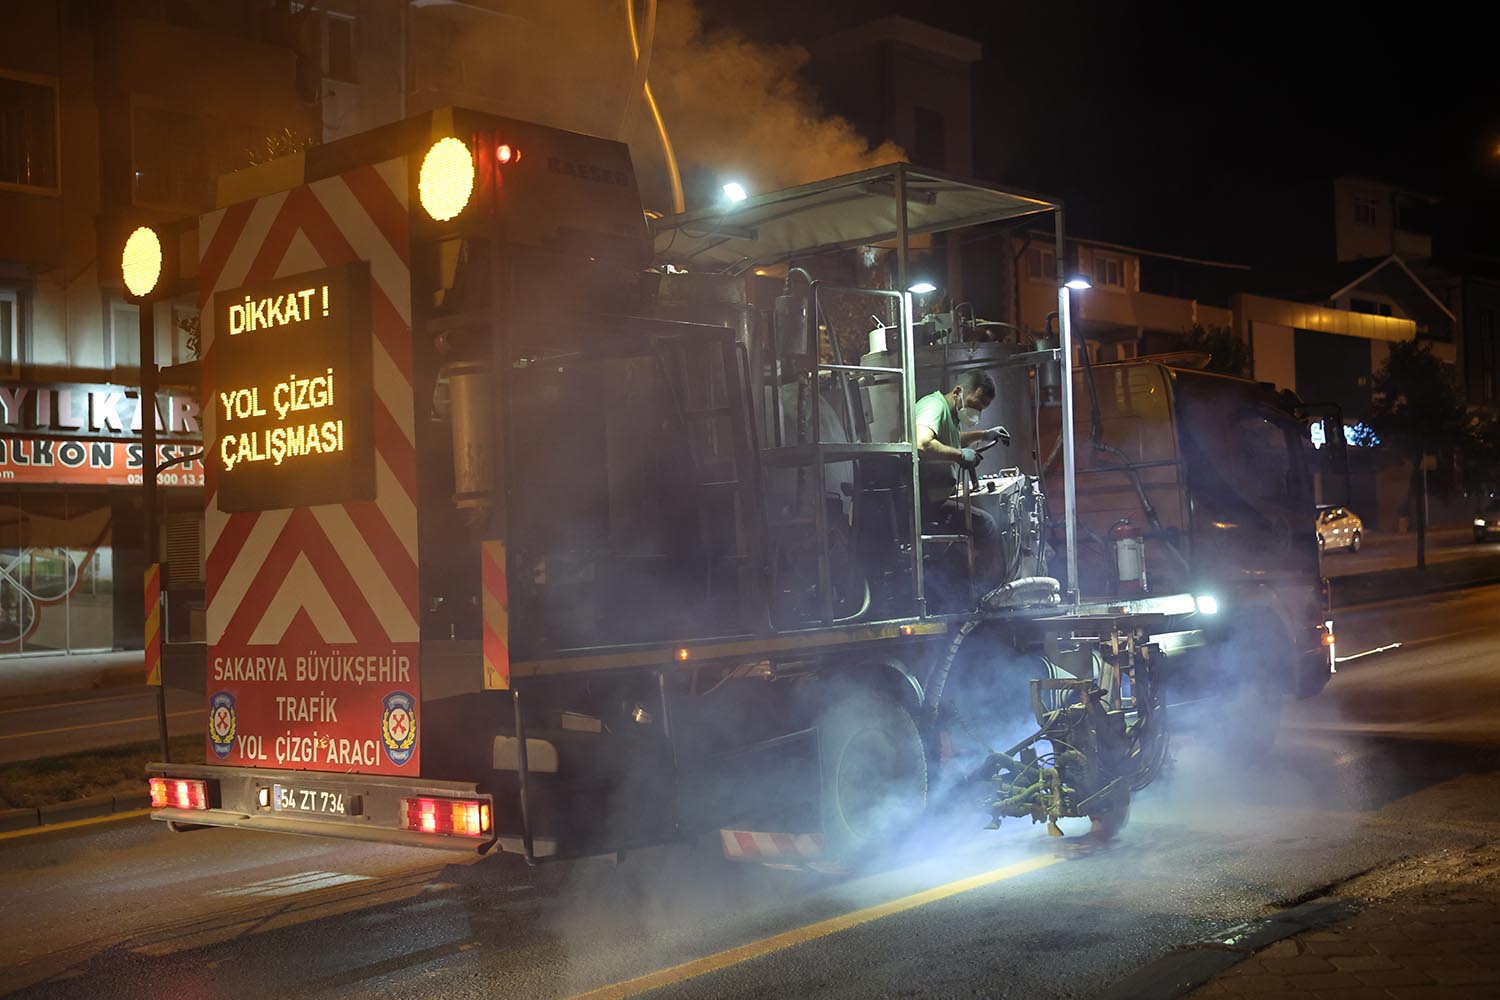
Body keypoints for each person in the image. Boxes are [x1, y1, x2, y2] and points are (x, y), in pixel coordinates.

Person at [913, 371, 1010, 598]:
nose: (976, 412)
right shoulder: (933, 406)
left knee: (977, 524)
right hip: (923, 504)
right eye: (974, 404)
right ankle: (978, 595)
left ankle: (957, 589)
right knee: (985, 526)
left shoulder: (949, 413)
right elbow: (922, 443)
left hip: (934, 498)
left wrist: (984, 434)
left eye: (981, 409)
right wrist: (959, 455)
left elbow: (953, 439)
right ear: (958, 391)